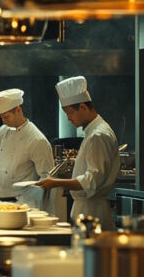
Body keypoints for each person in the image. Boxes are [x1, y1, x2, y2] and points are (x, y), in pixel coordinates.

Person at [36, 76, 120, 227]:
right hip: (87, 208)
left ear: (83, 107)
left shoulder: (98, 135)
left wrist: (54, 182)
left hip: (92, 213)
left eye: (69, 113)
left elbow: (92, 180)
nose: (68, 118)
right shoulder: (93, 132)